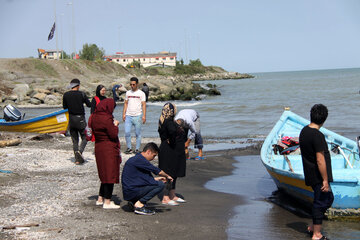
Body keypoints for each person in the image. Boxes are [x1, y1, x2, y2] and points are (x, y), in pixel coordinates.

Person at [299, 104, 334, 240]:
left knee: (325, 199)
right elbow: (320, 160)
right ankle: (317, 234)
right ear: (324, 119)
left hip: (310, 172)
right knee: (322, 201)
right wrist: (325, 180)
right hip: (318, 175)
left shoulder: (304, 131)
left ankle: (313, 227)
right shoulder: (317, 136)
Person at [121, 142, 173, 215]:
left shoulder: (137, 158)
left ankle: (134, 202)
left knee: (157, 182)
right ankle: (139, 204)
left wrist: (157, 179)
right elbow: (157, 171)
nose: (153, 158)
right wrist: (167, 176)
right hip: (131, 191)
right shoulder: (140, 159)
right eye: (154, 155)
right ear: (148, 152)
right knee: (160, 185)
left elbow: (141, 179)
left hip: (129, 191)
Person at [89, 98, 121, 209]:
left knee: (103, 173)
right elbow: (113, 134)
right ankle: (107, 201)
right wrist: (116, 125)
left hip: (99, 146)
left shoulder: (93, 116)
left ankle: (100, 198)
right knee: (110, 174)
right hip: (108, 147)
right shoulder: (107, 118)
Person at [158, 103, 186, 206]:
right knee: (168, 174)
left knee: (173, 173)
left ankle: (172, 194)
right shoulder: (168, 121)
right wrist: (171, 140)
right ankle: (165, 197)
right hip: (169, 151)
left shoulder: (164, 120)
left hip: (172, 150)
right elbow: (172, 132)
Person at [63, 78, 91, 165]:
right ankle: (80, 151)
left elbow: (64, 107)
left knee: (75, 140)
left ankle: (77, 160)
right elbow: (89, 105)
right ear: (78, 86)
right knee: (85, 137)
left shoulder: (66, 95)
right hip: (80, 119)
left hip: (71, 119)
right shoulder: (82, 94)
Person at [122, 77, 146, 154]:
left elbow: (144, 105)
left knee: (138, 133)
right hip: (128, 115)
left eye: (134, 84)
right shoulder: (128, 93)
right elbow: (125, 103)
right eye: (131, 84)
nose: (132, 86)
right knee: (127, 132)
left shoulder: (141, 93)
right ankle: (129, 148)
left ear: (137, 84)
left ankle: (137, 149)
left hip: (138, 115)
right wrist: (124, 114)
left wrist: (144, 116)